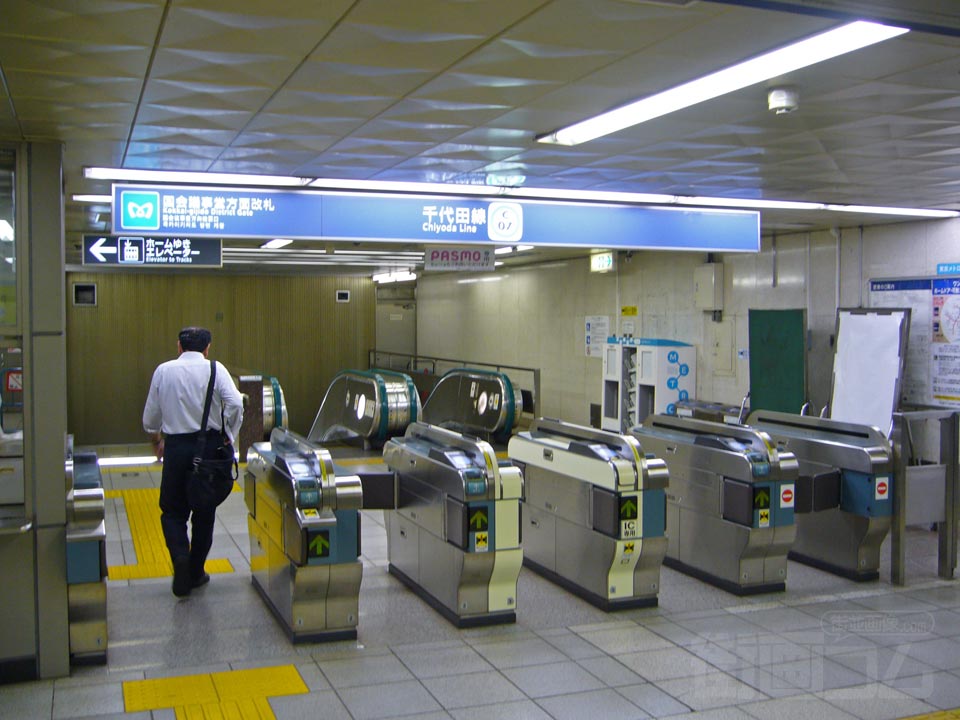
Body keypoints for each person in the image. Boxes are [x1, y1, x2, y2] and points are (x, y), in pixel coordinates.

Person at [143, 327, 243, 598]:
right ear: (207, 348)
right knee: (204, 512)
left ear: (179, 346)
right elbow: (236, 404)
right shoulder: (215, 369)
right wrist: (229, 434)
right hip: (208, 448)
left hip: (176, 448)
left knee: (172, 512)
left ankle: (180, 559)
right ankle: (196, 571)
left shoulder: (163, 371)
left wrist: (157, 441)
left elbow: (150, 419)